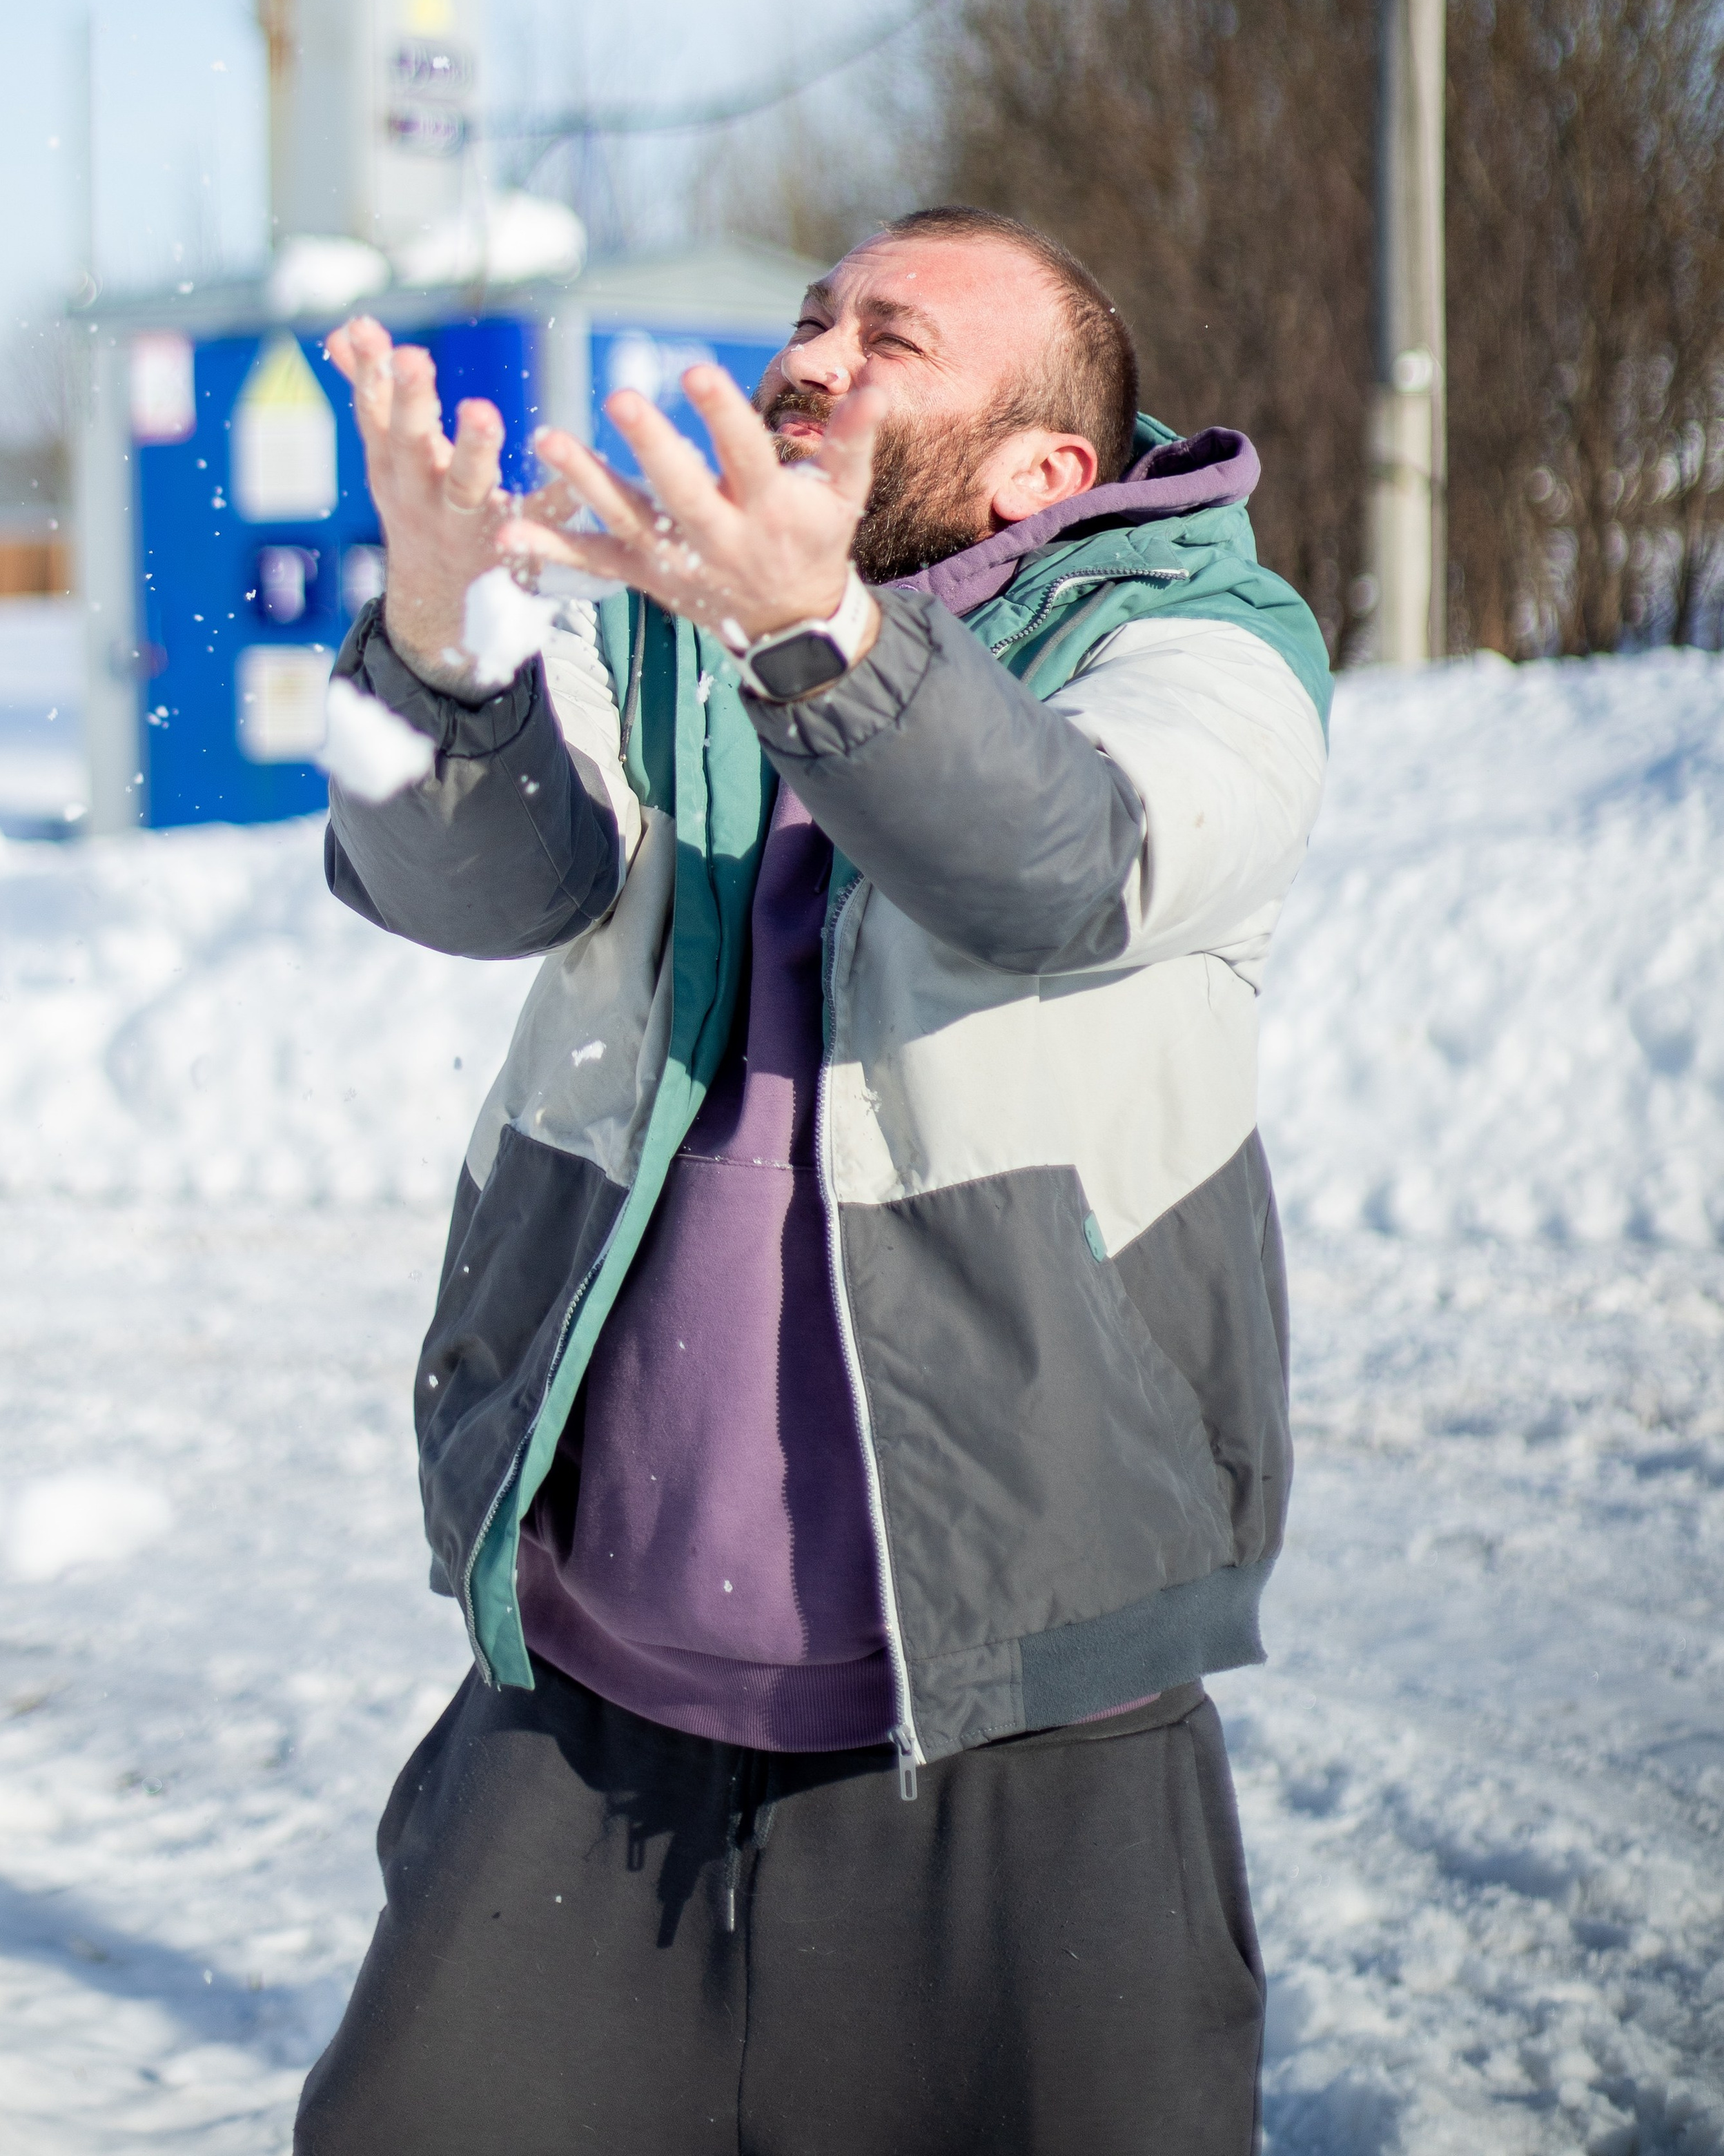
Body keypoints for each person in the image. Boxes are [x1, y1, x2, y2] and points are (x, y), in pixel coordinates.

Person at [295, 206, 1330, 2156]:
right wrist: (433, 642)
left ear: (1049, 470)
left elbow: (1058, 863)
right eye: (812, 318)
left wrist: (820, 640)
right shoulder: (655, 632)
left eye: (895, 340)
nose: (818, 357)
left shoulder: (1203, 643)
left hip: (1019, 1726)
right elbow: (468, 885)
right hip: (590, 1701)